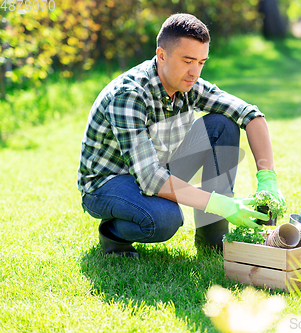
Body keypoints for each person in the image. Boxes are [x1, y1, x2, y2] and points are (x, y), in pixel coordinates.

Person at [77, 13, 286, 258]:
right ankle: (114, 233)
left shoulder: (189, 85)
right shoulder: (129, 95)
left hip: (157, 166)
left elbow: (250, 114)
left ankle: (213, 237)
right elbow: (148, 177)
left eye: (201, 62)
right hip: (108, 183)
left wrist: (267, 178)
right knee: (165, 218)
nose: (194, 71)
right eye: (187, 60)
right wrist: (221, 203)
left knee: (223, 124)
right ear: (161, 55)